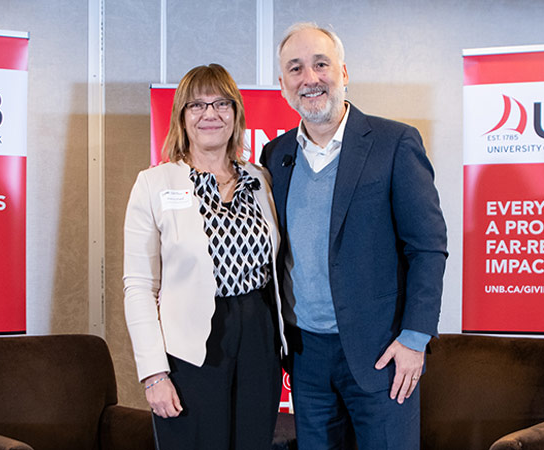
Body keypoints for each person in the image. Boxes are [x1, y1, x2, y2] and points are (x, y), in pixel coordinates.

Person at [260, 22, 447, 450]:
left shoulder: (394, 142)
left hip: (382, 355)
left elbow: (428, 247)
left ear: (343, 73)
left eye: (321, 64)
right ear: (283, 86)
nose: (310, 78)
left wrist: (414, 340)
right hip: (307, 361)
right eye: (295, 69)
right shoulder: (277, 154)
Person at [123, 63, 286, 450]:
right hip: (190, 348)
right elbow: (139, 286)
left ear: (236, 114)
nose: (210, 114)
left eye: (221, 104)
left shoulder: (260, 179)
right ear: (181, 116)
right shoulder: (154, 184)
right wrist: (154, 374)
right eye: (196, 105)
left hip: (259, 338)